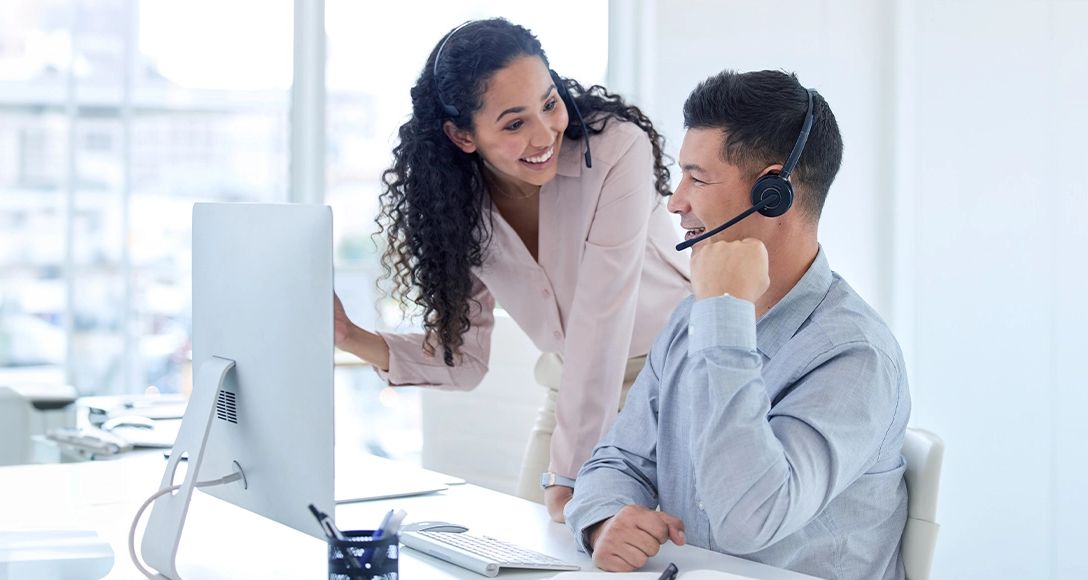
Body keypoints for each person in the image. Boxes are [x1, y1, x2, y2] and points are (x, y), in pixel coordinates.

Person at [330, 18, 691, 523]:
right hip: (573, 385)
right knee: (531, 551)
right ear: (461, 135)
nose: (545, 134)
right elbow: (464, 360)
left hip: (675, 380)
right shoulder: (459, 208)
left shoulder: (615, 149)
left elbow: (601, 317)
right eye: (514, 123)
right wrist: (350, 337)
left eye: (549, 103)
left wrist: (568, 477)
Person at [563, 70, 912, 580]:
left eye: (697, 178)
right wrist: (604, 520)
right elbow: (616, 460)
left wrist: (724, 312)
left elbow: (750, 518)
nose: (676, 201)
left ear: (775, 193)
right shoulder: (693, 318)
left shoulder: (854, 355)